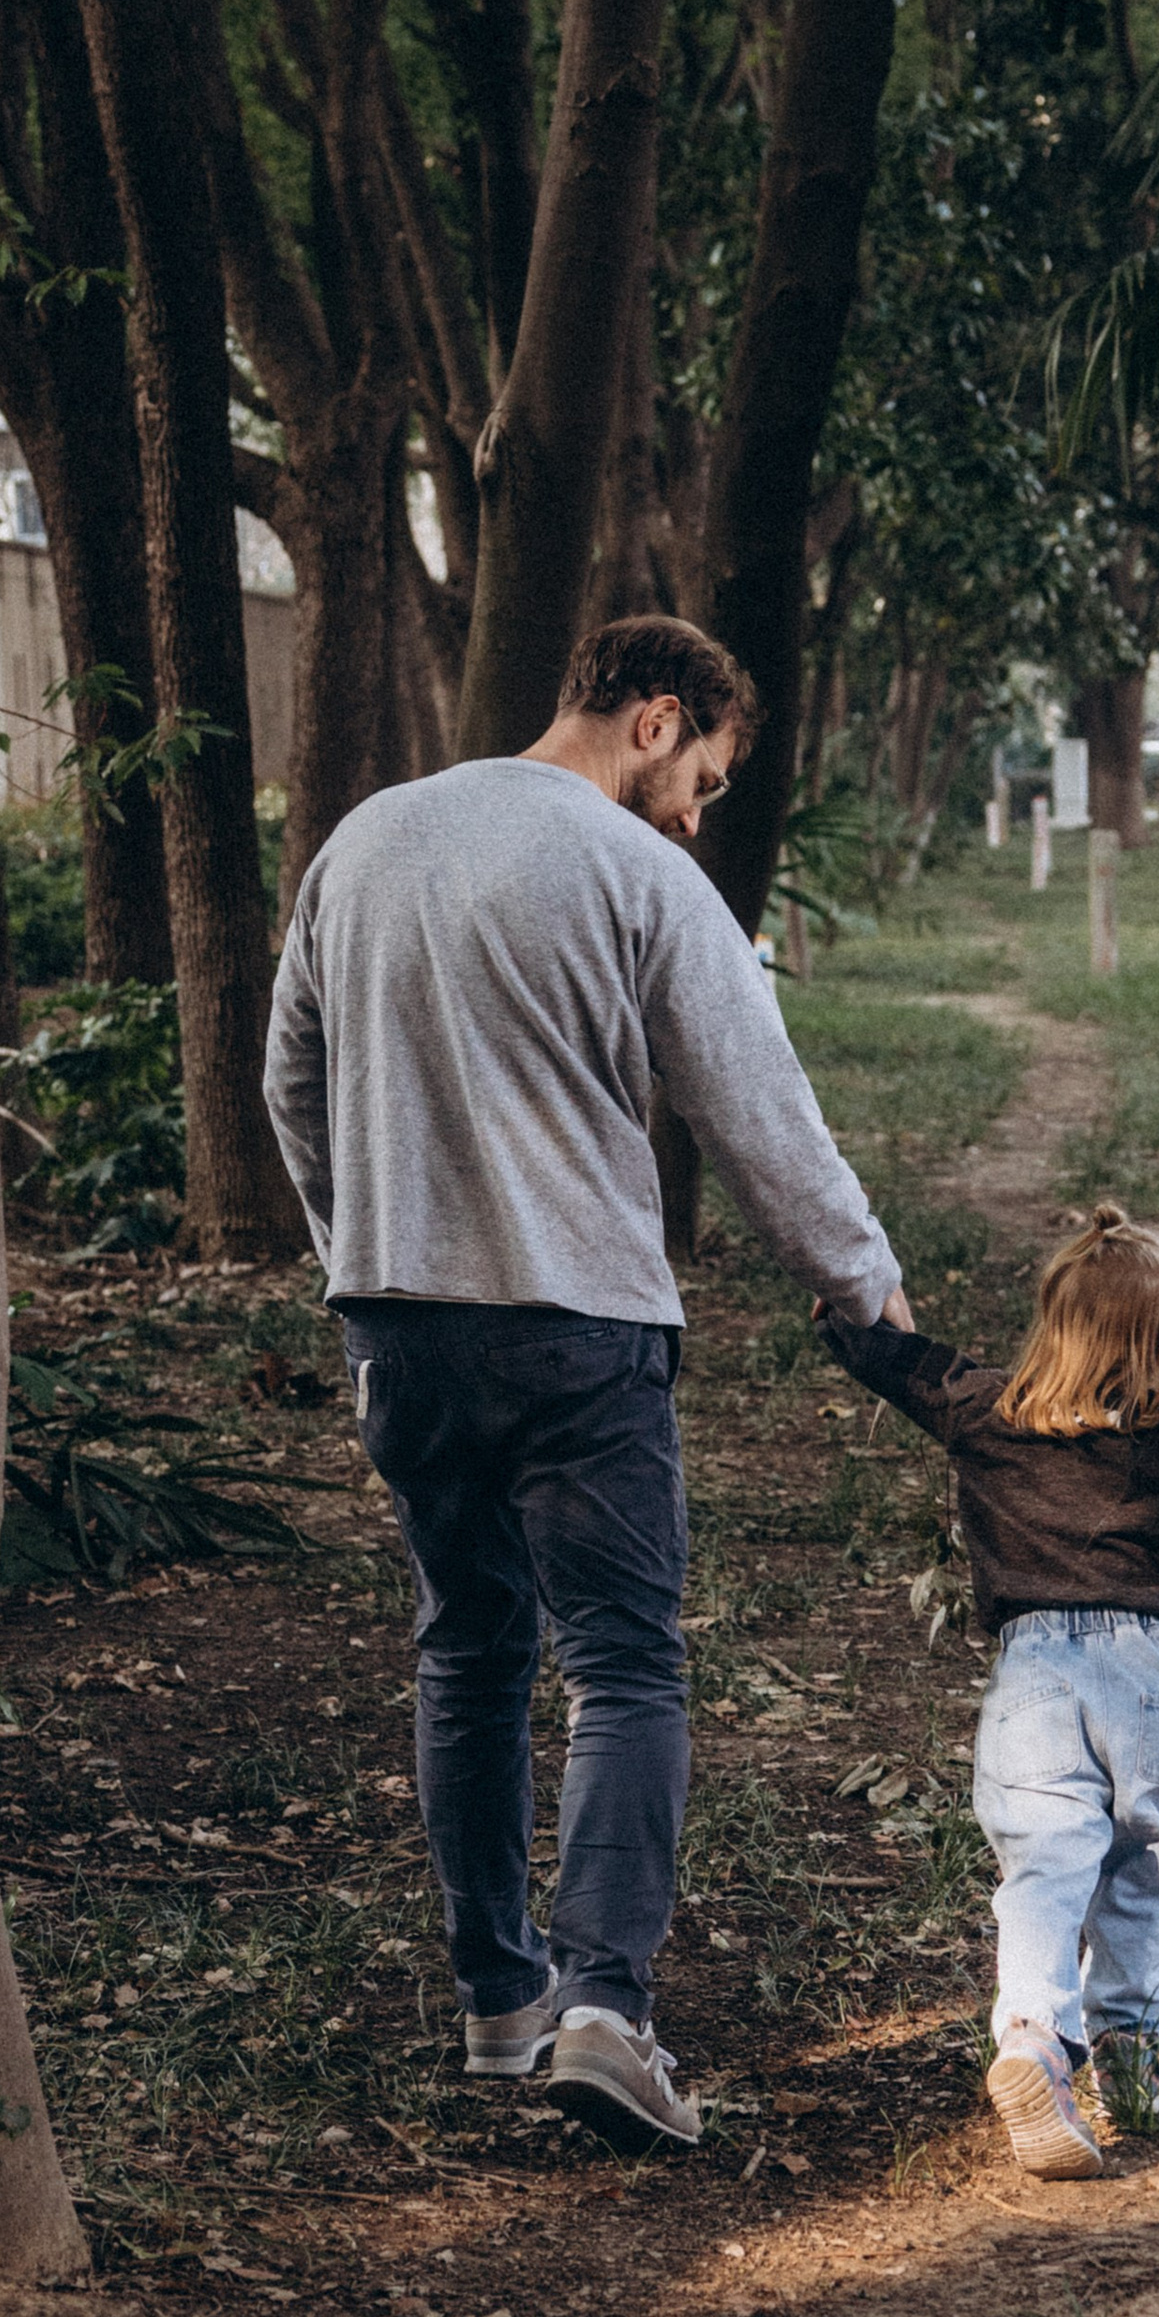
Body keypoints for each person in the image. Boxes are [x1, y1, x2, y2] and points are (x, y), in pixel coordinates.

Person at [264, 612, 910, 2161]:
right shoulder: (637, 874)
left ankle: (499, 2000)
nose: (699, 811)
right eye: (705, 776)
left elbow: (288, 1080)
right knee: (624, 1662)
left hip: (401, 1324)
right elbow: (753, 1099)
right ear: (654, 717)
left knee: (469, 1647)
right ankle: (605, 2005)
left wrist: (358, 1249)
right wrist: (862, 1279)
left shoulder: (366, 841)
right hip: (578, 1331)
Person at [819, 1207, 1159, 2181]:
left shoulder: (985, 1410)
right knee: (1138, 1870)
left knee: (1045, 1866)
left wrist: (843, 1310)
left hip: (1032, 1675)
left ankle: (1030, 2036)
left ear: (1050, 1329)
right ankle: (1132, 2071)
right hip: (1144, 1674)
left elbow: (898, 1359)